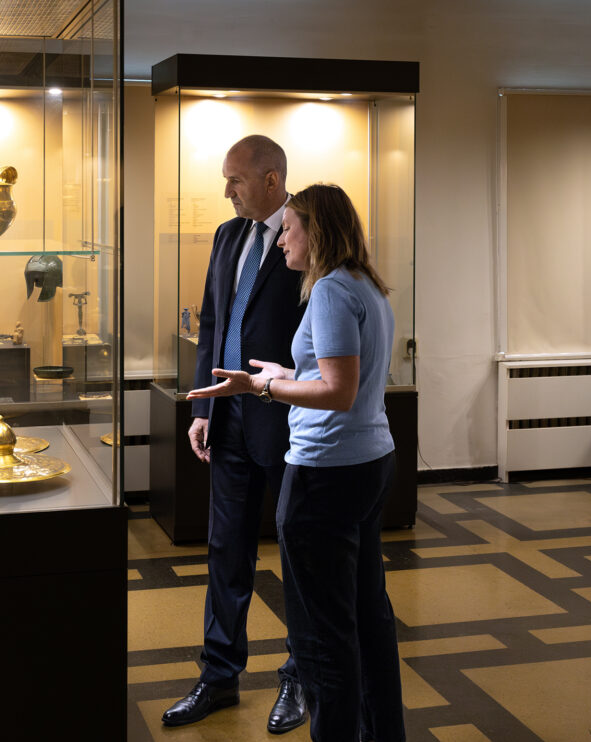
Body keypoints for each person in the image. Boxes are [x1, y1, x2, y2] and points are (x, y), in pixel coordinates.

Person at [187, 183, 406, 742]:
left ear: (317, 230)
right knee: (369, 617)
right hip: (369, 462)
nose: (282, 239)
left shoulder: (329, 291)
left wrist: (262, 387)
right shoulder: (364, 283)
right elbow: (343, 378)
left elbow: (337, 391)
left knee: (322, 639)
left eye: (290, 228)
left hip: (324, 472)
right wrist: (287, 374)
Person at [161, 135, 308, 733]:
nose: (227, 191)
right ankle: (219, 676)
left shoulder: (307, 234)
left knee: (297, 553)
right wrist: (202, 406)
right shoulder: (227, 236)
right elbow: (213, 323)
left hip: (288, 420)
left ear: (272, 180)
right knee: (226, 551)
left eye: (236, 180)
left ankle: (300, 676)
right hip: (227, 419)